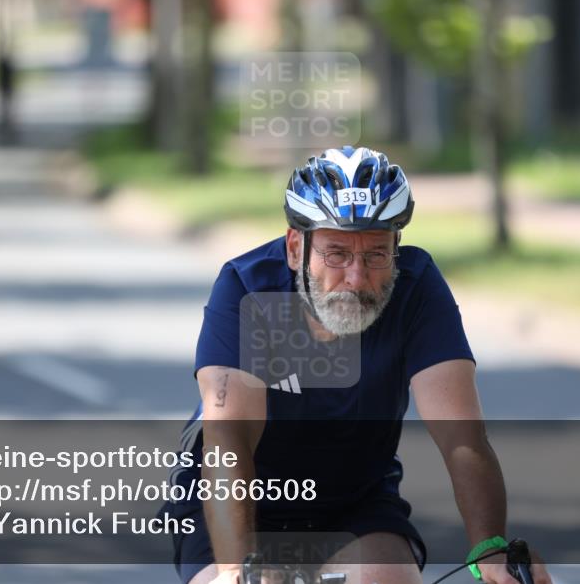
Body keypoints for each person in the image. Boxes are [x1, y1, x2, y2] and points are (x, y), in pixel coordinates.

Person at [163, 146, 553, 584]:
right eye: (336, 254)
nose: (356, 277)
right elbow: (228, 435)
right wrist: (236, 569)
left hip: (354, 499)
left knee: (386, 577)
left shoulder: (417, 286)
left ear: (396, 250)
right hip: (235, 501)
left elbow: (462, 436)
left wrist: (490, 549)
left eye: (375, 255)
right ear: (296, 248)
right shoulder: (246, 286)